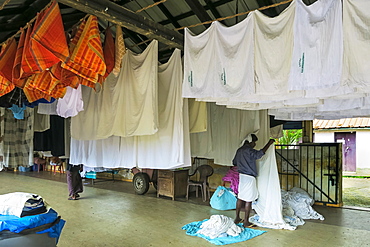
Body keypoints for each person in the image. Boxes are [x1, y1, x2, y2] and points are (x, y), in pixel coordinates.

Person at [232, 134, 275, 228]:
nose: (255, 144)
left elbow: (234, 162)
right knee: (249, 200)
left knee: (240, 197)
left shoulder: (239, 150)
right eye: (254, 142)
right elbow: (260, 154)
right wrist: (269, 143)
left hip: (241, 176)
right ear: (250, 142)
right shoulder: (249, 150)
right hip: (249, 177)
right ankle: (246, 222)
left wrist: (242, 162)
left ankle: (237, 218)